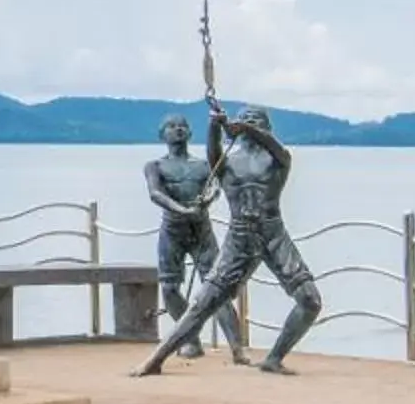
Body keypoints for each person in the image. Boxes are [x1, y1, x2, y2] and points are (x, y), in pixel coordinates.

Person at [134, 104, 323, 377]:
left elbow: (277, 148)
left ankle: (274, 358)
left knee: (310, 300)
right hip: (239, 236)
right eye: (244, 119)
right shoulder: (227, 163)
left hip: (273, 233)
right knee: (203, 303)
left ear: (267, 128)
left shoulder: (278, 159)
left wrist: (248, 129)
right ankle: (156, 359)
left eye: (256, 120)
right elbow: (213, 154)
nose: (248, 123)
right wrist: (215, 124)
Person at [142, 114, 221, 358]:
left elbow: (215, 186)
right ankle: (191, 337)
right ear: (162, 134)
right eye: (172, 126)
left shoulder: (203, 165)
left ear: (189, 133)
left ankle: (237, 345)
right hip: (172, 229)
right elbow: (155, 193)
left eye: (183, 126)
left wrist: (207, 199)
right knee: (169, 287)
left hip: (201, 230)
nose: (178, 129)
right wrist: (181, 209)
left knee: (218, 285)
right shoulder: (155, 166)